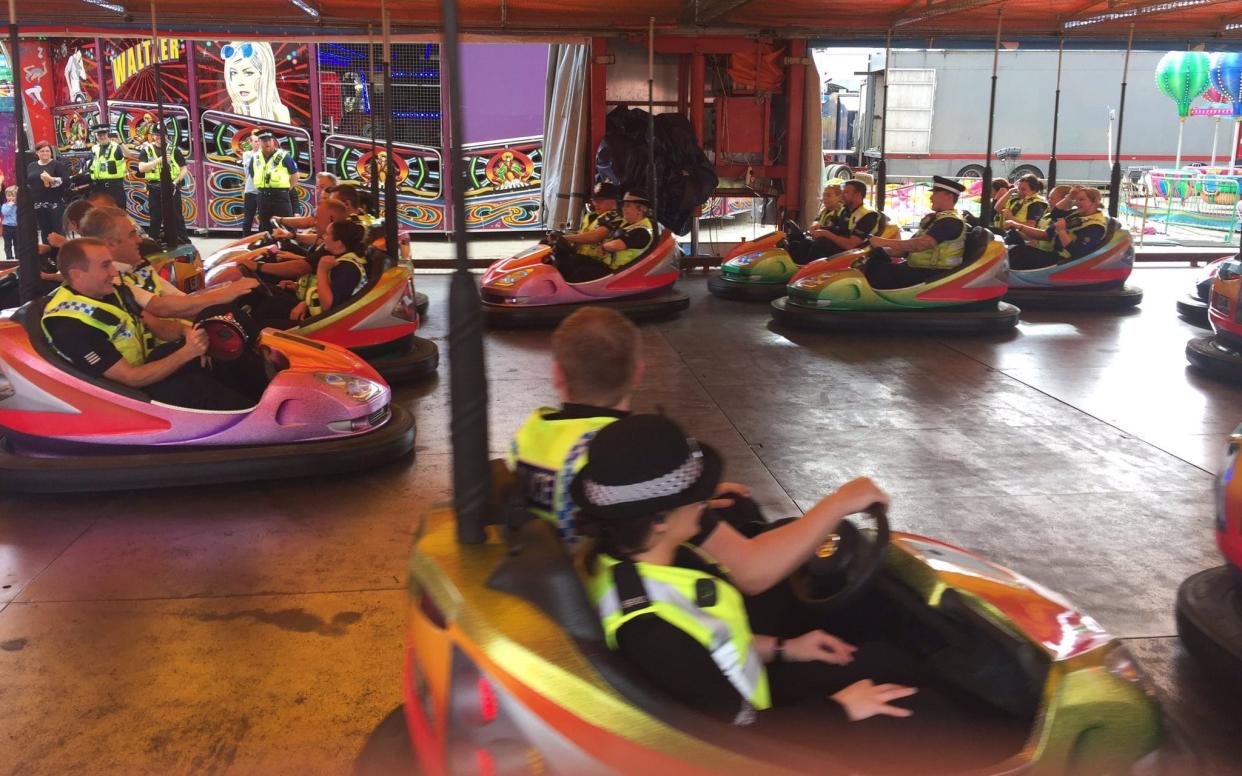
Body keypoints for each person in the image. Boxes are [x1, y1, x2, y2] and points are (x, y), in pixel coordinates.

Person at [574, 415, 1018, 774]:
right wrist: (840, 710)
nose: (706, 501)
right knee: (923, 715)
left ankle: (1011, 730)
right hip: (757, 744)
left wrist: (787, 648)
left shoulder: (649, 560)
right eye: (696, 496)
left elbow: (713, 645)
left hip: (752, 695)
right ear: (659, 519)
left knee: (882, 660)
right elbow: (736, 736)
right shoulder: (650, 629)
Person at [40, 238, 260, 411]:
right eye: (105, 266)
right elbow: (131, 379)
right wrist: (187, 352)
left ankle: (258, 399)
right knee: (195, 387)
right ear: (77, 275)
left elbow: (157, 326)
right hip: (120, 396)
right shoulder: (69, 324)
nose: (114, 272)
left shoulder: (112, 292)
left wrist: (190, 334)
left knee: (216, 347)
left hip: (144, 367)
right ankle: (251, 421)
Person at [507, 307, 644, 543]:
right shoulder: (635, 453)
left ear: (557, 374)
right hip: (607, 576)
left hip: (536, 566)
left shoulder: (526, 437)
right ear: (637, 375)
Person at [79, 206, 257, 320]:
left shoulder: (140, 267)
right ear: (110, 243)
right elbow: (162, 307)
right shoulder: (111, 281)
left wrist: (224, 294)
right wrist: (227, 293)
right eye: (132, 235)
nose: (139, 241)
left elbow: (182, 300)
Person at [863, 175, 968, 289]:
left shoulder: (950, 222)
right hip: (919, 268)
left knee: (875, 271)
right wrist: (877, 250)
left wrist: (883, 242)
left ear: (949, 196)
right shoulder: (936, 219)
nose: (931, 198)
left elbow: (919, 245)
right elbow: (906, 250)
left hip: (935, 274)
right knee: (875, 258)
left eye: (935, 193)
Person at [1005, 186, 1109, 270]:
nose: (1077, 203)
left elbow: (1077, 253)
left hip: (1065, 264)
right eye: (1076, 200)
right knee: (1015, 250)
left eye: (1081, 199)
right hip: (1054, 255)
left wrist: (1062, 231)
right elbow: (1054, 215)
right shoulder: (1076, 213)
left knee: (1019, 256)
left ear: (1094, 202)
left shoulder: (1095, 225)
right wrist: (1019, 226)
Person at [289, 218, 369, 320]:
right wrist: (298, 289)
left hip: (331, 324)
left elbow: (329, 305)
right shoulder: (340, 260)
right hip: (319, 317)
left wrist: (321, 271)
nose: (323, 236)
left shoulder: (348, 268)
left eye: (327, 234)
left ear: (338, 243)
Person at [548, 182, 624, 284]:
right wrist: (559, 238)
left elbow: (595, 236)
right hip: (583, 258)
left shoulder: (615, 216)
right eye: (594, 200)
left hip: (601, 263)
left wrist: (566, 238)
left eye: (600, 200)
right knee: (553, 256)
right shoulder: (591, 216)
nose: (596, 204)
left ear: (613, 200)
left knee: (574, 270)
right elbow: (580, 234)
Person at [136, 129, 190, 245]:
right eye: (157, 135)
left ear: (166, 135)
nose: (159, 137)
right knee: (155, 218)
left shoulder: (174, 150)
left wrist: (175, 182)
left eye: (162, 135)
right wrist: (160, 160)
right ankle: (152, 244)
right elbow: (142, 168)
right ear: (153, 136)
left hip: (172, 187)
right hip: (155, 187)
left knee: (177, 217)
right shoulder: (147, 150)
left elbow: (184, 169)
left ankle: (185, 242)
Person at [222, 41, 292, 124]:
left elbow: (285, 137)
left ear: (265, 74)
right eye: (233, 73)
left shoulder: (279, 112)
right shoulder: (234, 111)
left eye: (248, 73)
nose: (240, 82)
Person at [252, 131, 300, 234]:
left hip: (280, 197)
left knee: (285, 226)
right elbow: (253, 174)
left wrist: (287, 189)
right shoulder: (255, 157)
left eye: (269, 140)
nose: (267, 143)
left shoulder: (283, 156)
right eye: (264, 141)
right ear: (259, 142)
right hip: (263, 197)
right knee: (265, 227)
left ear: (273, 141)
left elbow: (295, 175)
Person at [26, 141, 70, 244]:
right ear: (37, 153)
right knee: (44, 232)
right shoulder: (31, 166)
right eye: (42, 151)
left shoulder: (57, 165)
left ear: (51, 152)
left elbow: (67, 181)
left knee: (57, 232)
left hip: (55, 204)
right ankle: (48, 258)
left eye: (47, 151)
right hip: (38, 204)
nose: (45, 153)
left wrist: (52, 179)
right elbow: (29, 182)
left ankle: (59, 257)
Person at [88, 123, 128, 209]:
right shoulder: (94, 148)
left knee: (117, 214)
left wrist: (120, 142)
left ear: (108, 134)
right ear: (96, 136)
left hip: (114, 187)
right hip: (99, 187)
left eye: (104, 134)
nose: (101, 137)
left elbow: (128, 154)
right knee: (102, 214)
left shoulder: (116, 147)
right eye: (99, 134)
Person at [240, 129, 261, 236]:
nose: (258, 143)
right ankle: (245, 239)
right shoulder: (247, 154)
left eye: (259, 141)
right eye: (255, 141)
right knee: (248, 217)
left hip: (263, 191)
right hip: (251, 190)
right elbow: (248, 170)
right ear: (251, 143)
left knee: (264, 218)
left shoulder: (266, 154)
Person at [2, 187, 16, 261]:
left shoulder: (18, 206)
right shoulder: (5, 205)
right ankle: (9, 257)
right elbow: (4, 213)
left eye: (13, 195)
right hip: (7, 227)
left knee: (17, 243)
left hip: (17, 227)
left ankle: (18, 257)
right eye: (8, 195)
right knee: (8, 244)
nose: (11, 197)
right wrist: (10, 205)